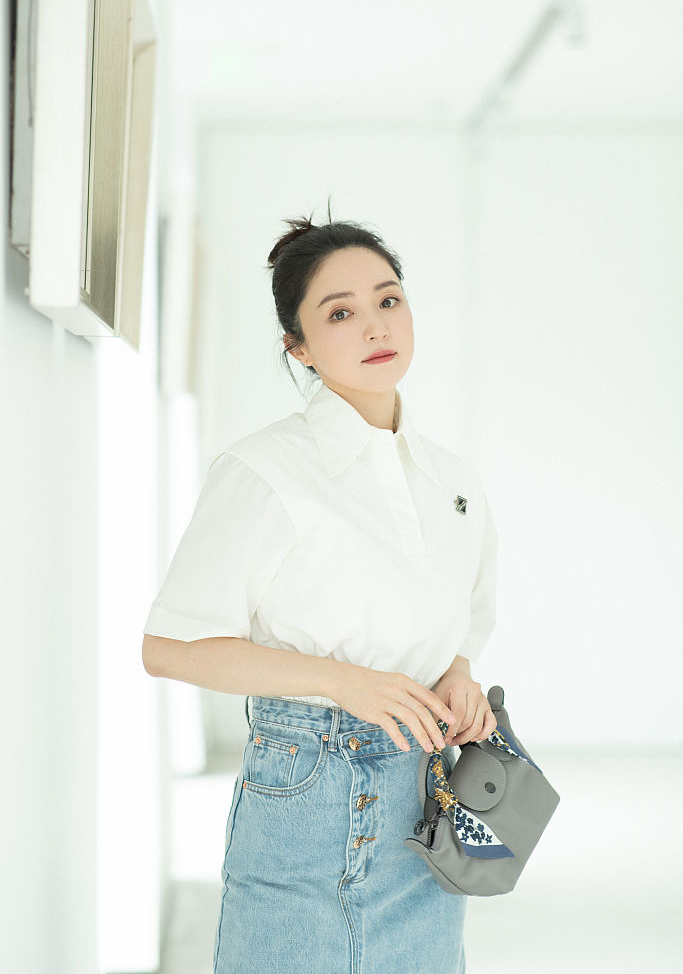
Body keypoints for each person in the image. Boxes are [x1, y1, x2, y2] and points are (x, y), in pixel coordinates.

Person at [141, 209, 499, 974]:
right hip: (307, 783)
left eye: (388, 299)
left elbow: (462, 620)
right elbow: (169, 648)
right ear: (296, 347)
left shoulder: (452, 481)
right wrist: (344, 682)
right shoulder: (264, 470)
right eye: (339, 313)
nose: (375, 325)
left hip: (426, 789)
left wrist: (458, 677)